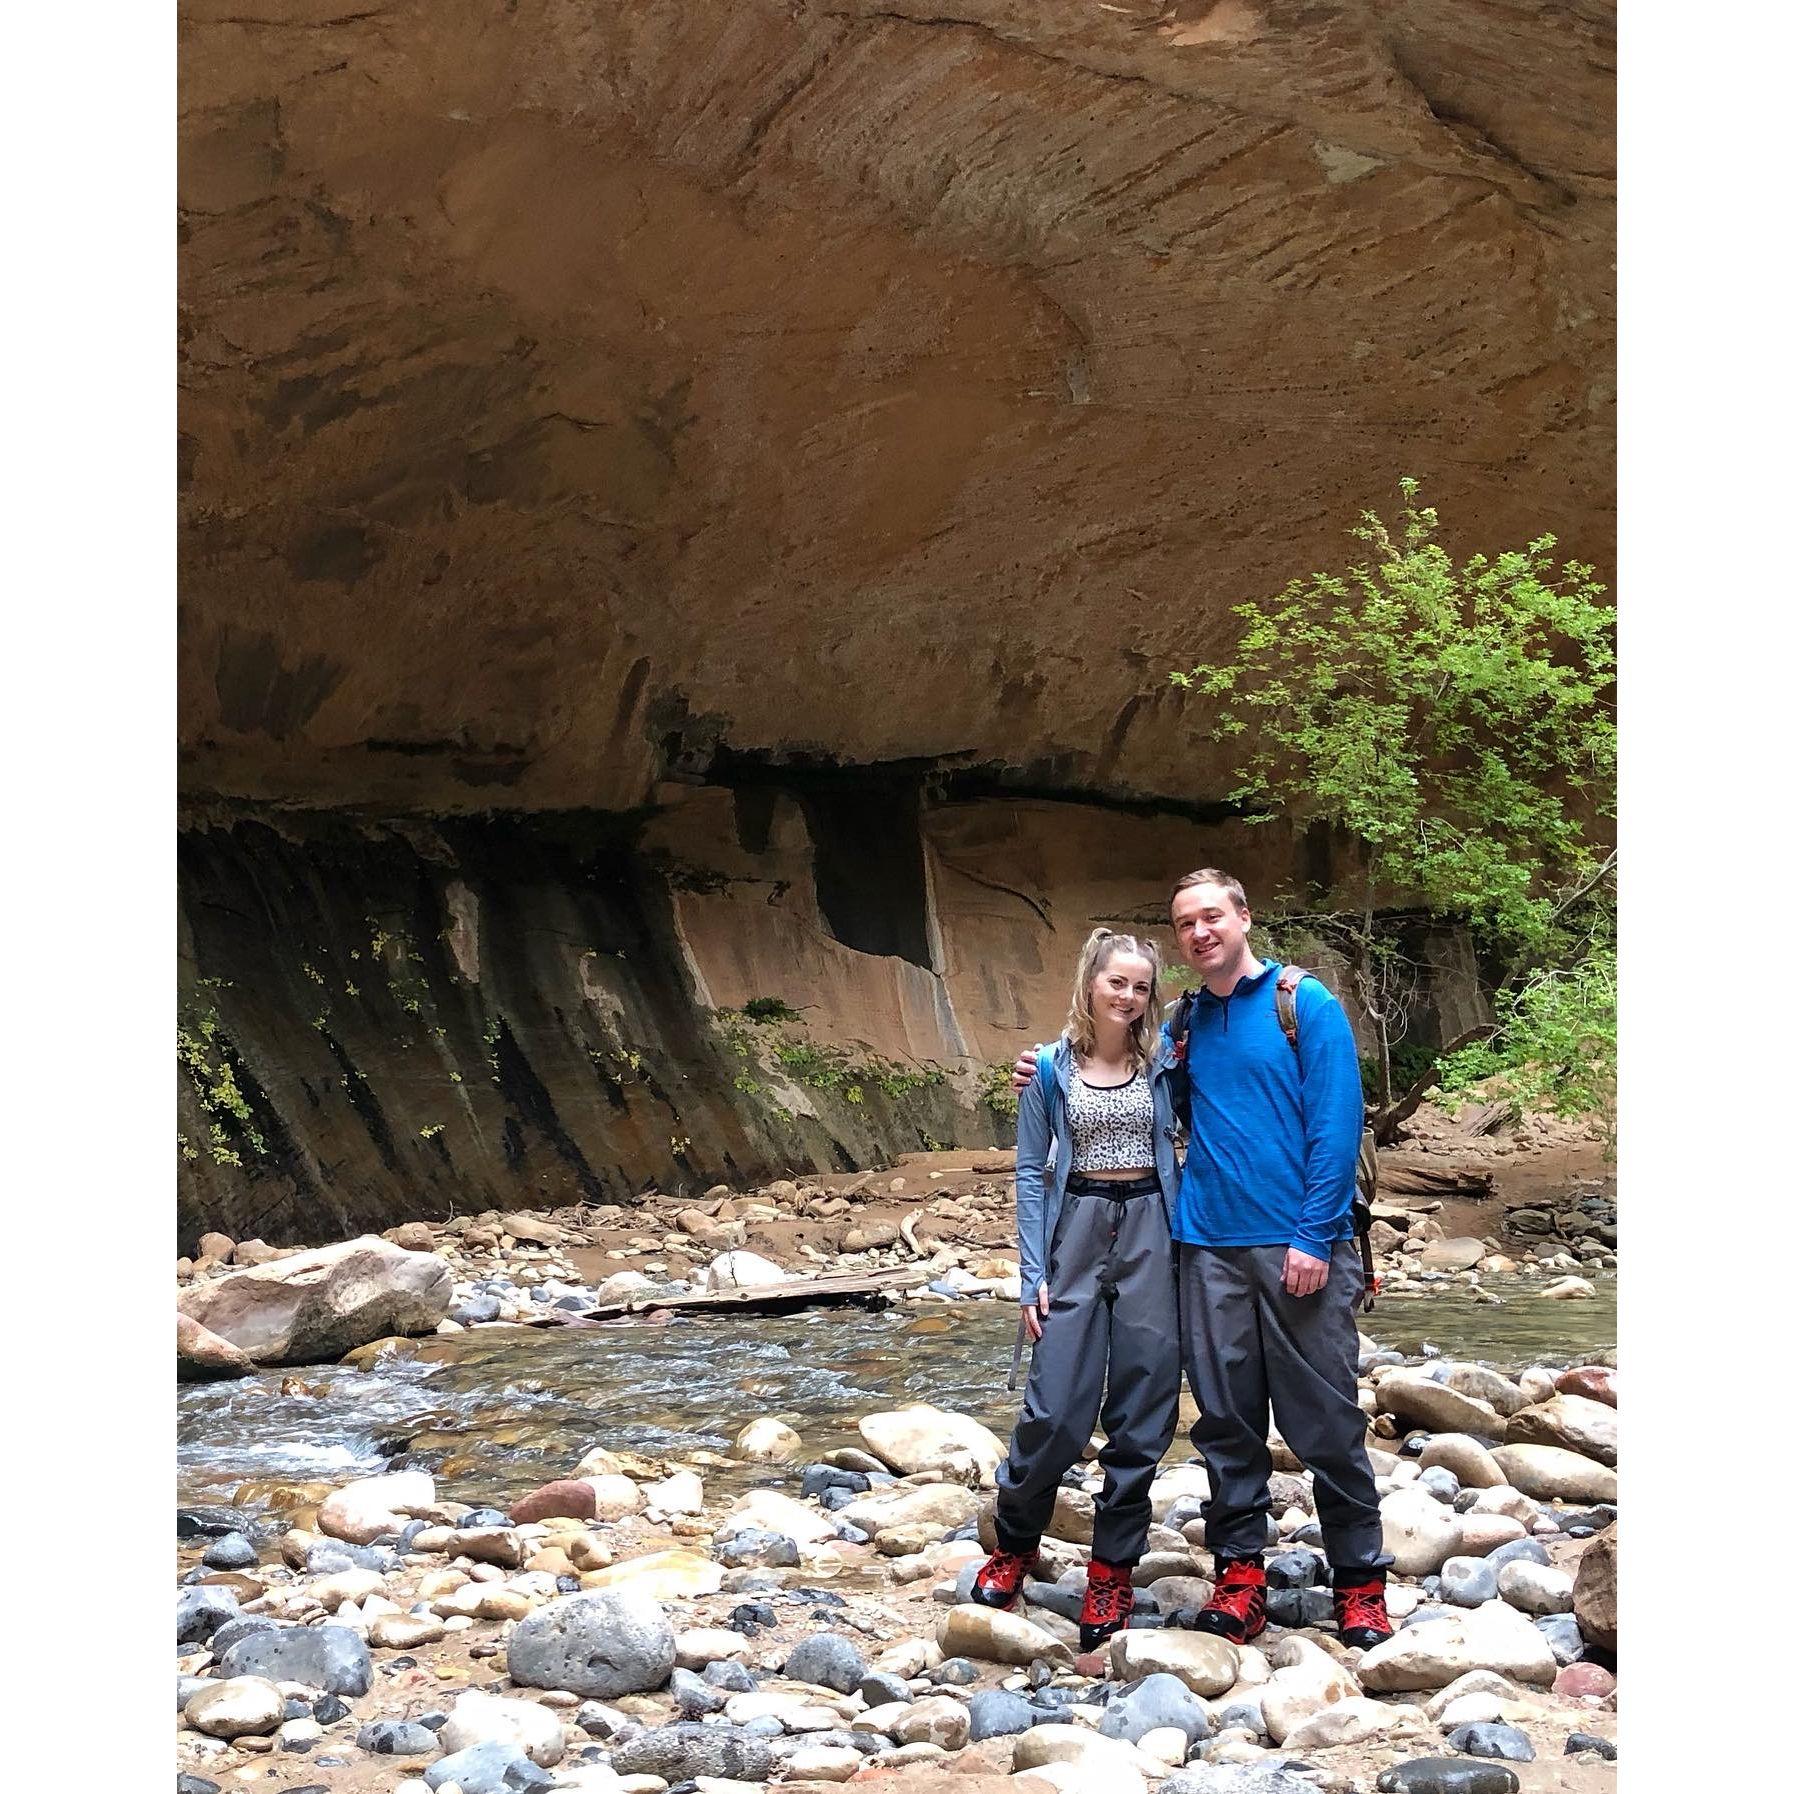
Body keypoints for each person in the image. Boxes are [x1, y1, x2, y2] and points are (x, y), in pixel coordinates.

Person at [1014, 870, 1394, 1649]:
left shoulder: (1302, 1005)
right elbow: (1116, 1073)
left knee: (1325, 1421)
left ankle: (1360, 1583)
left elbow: (1338, 1122)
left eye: (1212, 916)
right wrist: (1040, 1069)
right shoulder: (1185, 1024)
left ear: (1243, 918)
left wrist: (1314, 1235)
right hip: (1205, 1246)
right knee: (1225, 1423)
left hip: (1298, 1246)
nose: (1200, 932)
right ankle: (1239, 1576)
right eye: (1186, 923)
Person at [972, 928, 1185, 1652]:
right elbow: (1031, 1173)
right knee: (1055, 1407)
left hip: (1153, 1225)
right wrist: (1031, 1275)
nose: (1128, 996)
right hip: (1077, 1229)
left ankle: (1112, 1571)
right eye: (1116, 981)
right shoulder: (1048, 1069)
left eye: (1140, 986)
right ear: (1090, 982)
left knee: (1144, 1404)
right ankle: (1015, 1543)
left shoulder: (1166, 1062)